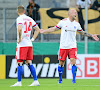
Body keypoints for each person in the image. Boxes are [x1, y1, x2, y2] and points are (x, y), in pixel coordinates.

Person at [40, 9, 99, 84]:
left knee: (73, 62)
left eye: (76, 13)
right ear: (70, 14)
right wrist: (44, 31)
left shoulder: (76, 24)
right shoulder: (63, 22)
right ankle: (60, 79)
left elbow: (82, 32)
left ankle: (74, 80)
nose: (76, 14)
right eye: (74, 13)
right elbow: (54, 28)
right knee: (61, 63)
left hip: (72, 46)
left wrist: (91, 35)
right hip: (63, 46)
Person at [11, 5, 40, 87]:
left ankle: (19, 82)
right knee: (29, 62)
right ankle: (35, 81)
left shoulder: (19, 19)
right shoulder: (30, 19)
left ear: (17, 11)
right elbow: (37, 29)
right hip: (29, 44)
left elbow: (19, 29)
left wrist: (20, 38)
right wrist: (33, 39)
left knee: (19, 62)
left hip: (22, 44)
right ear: (24, 11)